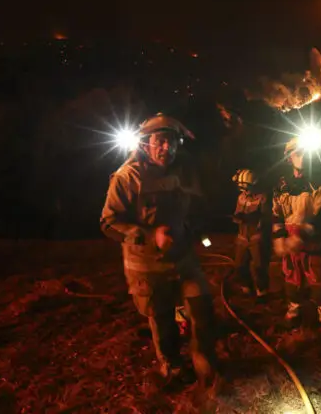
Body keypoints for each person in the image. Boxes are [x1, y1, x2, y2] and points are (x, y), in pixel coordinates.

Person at [100, 113, 219, 391]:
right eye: (160, 142)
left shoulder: (184, 172)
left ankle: (203, 361)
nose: (168, 148)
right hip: (147, 267)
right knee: (162, 318)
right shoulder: (127, 178)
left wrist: (196, 231)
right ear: (145, 144)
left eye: (173, 142)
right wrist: (150, 235)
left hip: (183, 259)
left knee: (201, 306)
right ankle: (171, 366)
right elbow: (108, 222)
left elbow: (196, 207)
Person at [272, 137, 321, 330]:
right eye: (298, 153)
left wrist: (302, 235)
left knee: (318, 280)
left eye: (306, 154)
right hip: (292, 245)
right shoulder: (281, 185)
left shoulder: (320, 184)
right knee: (292, 278)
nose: (302, 158)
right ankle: (295, 307)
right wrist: (279, 238)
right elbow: (276, 213)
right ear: (289, 157)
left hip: (314, 244)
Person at [231, 168, 270, 302]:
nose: (244, 190)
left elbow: (265, 218)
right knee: (239, 265)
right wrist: (237, 218)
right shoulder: (241, 197)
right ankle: (246, 287)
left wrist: (254, 220)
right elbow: (236, 214)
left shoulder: (262, 197)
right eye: (242, 187)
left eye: (246, 187)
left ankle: (262, 291)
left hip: (256, 237)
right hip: (242, 237)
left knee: (259, 266)